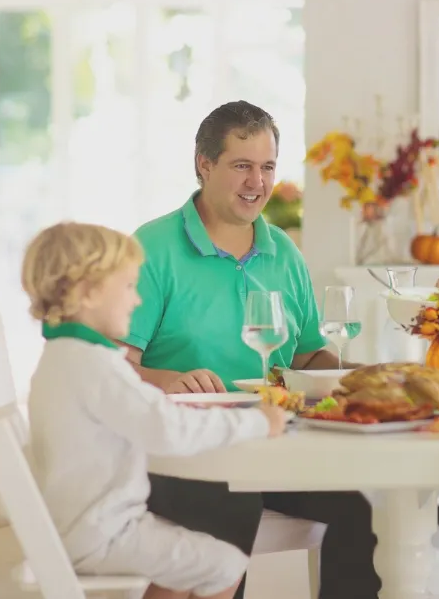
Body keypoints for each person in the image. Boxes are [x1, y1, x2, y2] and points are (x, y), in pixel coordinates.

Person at [120, 100, 381, 599]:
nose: (256, 182)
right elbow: (113, 365)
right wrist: (167, 380)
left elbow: (305, 357)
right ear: (205, 165)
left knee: (358, 510)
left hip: (271, 443)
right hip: (180, 449)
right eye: (242, 166)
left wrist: (359, 375)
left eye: (266, 167)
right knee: (229, 508)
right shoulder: (151, 249)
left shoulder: (283, 250)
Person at [21, 222, 290, 599]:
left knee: (188, 567)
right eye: (128, 287)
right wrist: (256, 421)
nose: (136, 300)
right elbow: (169, 430)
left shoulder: (61, 356)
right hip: (104, 532)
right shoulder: (96, 364)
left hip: (82, 526)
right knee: (225, 566)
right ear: (88, 292)